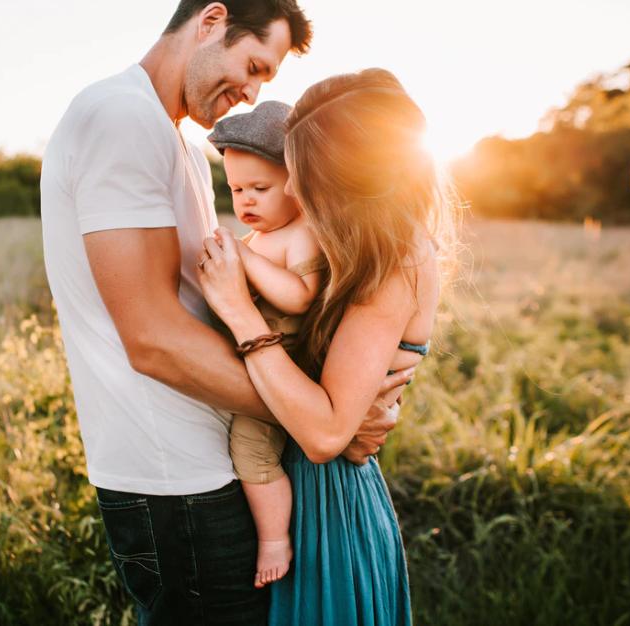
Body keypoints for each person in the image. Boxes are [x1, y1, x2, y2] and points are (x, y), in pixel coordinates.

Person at [40, 2, 418, 624]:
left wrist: (335, 403)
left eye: (264, 81)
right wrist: (327, 420)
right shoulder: (120, 118)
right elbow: (154, 339)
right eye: (253, 65)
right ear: (211, 20)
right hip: (176, 479)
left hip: (215, 463)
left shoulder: (182, 147)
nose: (250, 94)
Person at [197, 68, 458, 625]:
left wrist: (241, 313)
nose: (292, 188)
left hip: (328, 505)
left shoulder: (395, 260)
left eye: (305, 173)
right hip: (299, 486)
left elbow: (324, 434)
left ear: (354, 176)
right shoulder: (353, 246)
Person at [207, 100, 325, 588]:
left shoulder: (302, 234)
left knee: (250, 450)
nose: (246, 202)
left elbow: (300, 297)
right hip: (252, 364)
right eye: (236, 190)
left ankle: (274, 538)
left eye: (260, 188)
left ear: (297, 185)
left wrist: (244, 260)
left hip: (283, 374)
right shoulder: (260, 237)